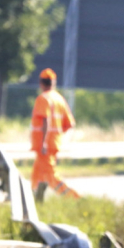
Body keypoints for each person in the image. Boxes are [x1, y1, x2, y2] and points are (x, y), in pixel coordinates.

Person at [31, 68, 80, 202]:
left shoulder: (43, 98)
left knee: (50, 176)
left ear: (41, 83)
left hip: (44, 146)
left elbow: (45, 120)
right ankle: (33, 201)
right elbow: (70, 124)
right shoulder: (59, 99)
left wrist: (44, 142)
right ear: (53, 83)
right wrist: (55, 137)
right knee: (36, 176)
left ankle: (75, 199)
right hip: (53, 144)